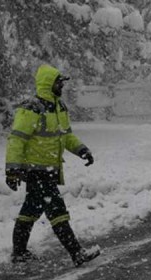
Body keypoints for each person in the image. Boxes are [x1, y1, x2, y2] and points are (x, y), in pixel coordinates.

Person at [5, 64, 101, 267]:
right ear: (49, 83)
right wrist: (13, 170)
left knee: (30, 211)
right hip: (36, 170)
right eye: (59, 82)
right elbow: (17, 139)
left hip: (50, 169)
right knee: (57, 211)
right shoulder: (31, 108)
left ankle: (19, 253)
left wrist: (81, 150)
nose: (62, 86)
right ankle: (76, 253)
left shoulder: (59, 107)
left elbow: (65, 136)